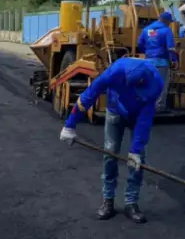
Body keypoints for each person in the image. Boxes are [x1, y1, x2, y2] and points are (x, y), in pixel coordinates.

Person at [59, 57, 164, 223]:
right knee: (110, 153)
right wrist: (70, 125)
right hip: (115, 111)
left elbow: (145, 120)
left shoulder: (156, 82)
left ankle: (131, 202)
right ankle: (107, 200)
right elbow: (89, 95)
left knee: (138, 160)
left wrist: (135, 151)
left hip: (137, 116)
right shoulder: (114, 72)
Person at [137, 11, 178, 111]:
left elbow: (140, 44)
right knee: (161, 84)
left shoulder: (146, 30)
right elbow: (171, 48)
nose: (169, 23)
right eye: (169, 22)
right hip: (162, 62)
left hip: (148, 61)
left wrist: (147, 53)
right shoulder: (166, 30)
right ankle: (159, 106)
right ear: (166, 21)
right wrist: (174, 60)